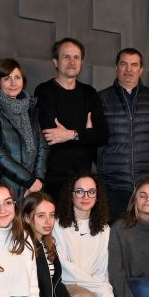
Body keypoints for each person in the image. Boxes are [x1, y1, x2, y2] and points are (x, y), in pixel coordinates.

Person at [52, 173, 133, 297]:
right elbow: (67, 270)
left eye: (91, 191)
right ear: (71, 195)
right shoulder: (57, 225)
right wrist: (103, 293)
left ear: (97, 196)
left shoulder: (104, 229)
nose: (86, 196)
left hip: (94, 287)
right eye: (79, 191)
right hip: (67, 286)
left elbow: (102, 271)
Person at [96, 48, 149, 220]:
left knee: (147, 234)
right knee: (115, 234)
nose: (128, 69)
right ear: (117, 67)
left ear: (141, 69)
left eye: (134, 65)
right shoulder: (101, 99)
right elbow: (96, 142)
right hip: (113, 186)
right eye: (124, 64)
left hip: (147, 187)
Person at [34, 38, 109, 198]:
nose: (72, 62)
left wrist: (70, 134)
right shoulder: (44, 91)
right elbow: (50, 134)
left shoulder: (89, 93)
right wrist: (85, 133)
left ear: (81, 62)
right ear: (55, 62)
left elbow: (102, 135)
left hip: (83, 179)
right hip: (53, 178)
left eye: (76, 57)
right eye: (66, 57)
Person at [0, 58, 47, 198]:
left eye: (17, 77)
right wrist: (28, 180)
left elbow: (42, 146)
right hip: (6, 186)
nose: (13, 83)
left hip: (34, 187)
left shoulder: (31, 107)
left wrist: (38, 180)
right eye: (7, 78)